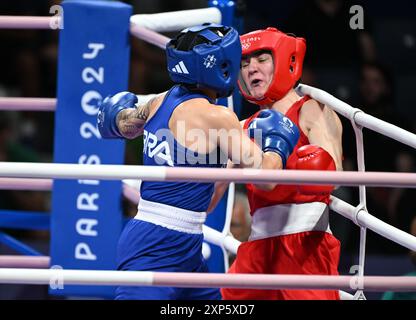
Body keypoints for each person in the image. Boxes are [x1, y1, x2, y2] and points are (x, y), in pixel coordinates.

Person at [96, 23, 300, 300]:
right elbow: (266, 179)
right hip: (156, 247)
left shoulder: (160, 101)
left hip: (183, 244)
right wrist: (278, 143)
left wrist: (116, 114)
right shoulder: (216, 118)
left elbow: (119, 124)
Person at [219, 27, 344, 300]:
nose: (251, 69)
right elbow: (210, 197)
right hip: (256, 251)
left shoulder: (312, 110)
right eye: (244, 63)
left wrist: (309, 166)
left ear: (285, 60)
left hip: (306, 247)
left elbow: (333, 176)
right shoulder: (242, 128)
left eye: (262, 60)